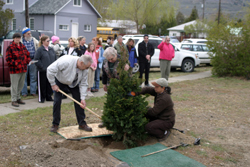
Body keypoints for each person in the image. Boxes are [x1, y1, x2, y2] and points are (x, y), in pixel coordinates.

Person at [47, 54, 93, 133]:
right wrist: (53, 84)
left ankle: (82, 123)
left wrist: (83, 98)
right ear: (81, 63)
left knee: (79, 102)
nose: (87, 69)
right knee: (57, 101)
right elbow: (50, 69)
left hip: (73, 83)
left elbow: (83, 83)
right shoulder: (66, 61)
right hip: (60, 81)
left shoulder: (85, 69)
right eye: (87, 67)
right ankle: (55, 124)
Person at [6, 33, 31, 107]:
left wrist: (29, 61)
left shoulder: (23, 46)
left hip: (23, 69)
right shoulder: (10, 47)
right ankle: (13, 100)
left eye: (18, 38)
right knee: (14, 86)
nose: (17, 39)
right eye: (16, 38)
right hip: (14, 70)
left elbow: (27, 55)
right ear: (13, 39)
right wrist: (16, 63)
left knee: (20, 85)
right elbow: (8, 59)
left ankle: (18, 98)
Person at [34, 35, 57, 103]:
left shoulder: (51, 49)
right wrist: (42, 67)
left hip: (50, 71)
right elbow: (36, 60)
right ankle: (42, 98)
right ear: (43, 41)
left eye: (49, 40)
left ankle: (48, 96)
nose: (49, 42)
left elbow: (55, 58)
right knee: (42, 84)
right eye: (47, 41)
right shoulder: (40, 50)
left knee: (49, 84)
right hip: (42, 71)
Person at [21, 27, 39, 97]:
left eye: (30, 33)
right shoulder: (21, 41)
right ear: (24, 34)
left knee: (33, 77)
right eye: (28, 33)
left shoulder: (34, 40)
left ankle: (33, 92)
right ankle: (24, 92)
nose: (30, 34)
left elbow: (39, 45)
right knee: (24, 77)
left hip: (33, 60)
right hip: (24, 61)